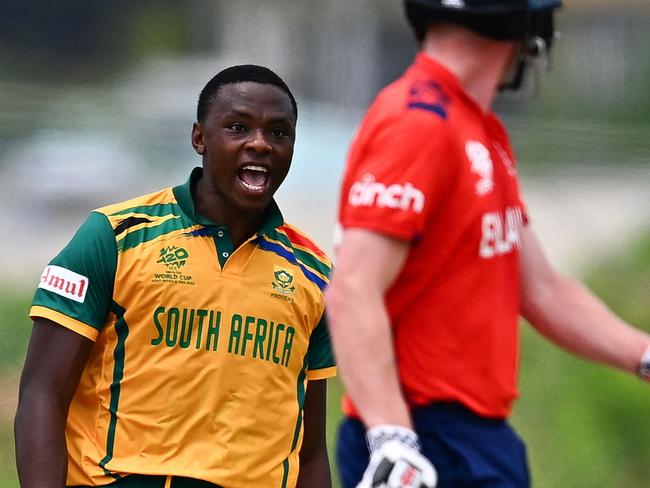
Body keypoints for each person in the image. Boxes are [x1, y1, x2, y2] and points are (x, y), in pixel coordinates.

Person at [325, 2, 650, 487]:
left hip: (476, 440)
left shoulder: (476, 127)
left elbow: (541, 290)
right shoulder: (419, 122)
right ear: (521, 24)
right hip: (423, 439)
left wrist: (643, 354)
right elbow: (352, 288)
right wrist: (393, 439)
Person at [15, 65, 336, 488]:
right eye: (238, 127)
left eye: (279, 133)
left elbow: (310, 452)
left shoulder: (315, 274)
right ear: (199, 138)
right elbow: (42, 397)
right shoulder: (114, 237)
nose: (259, 143)